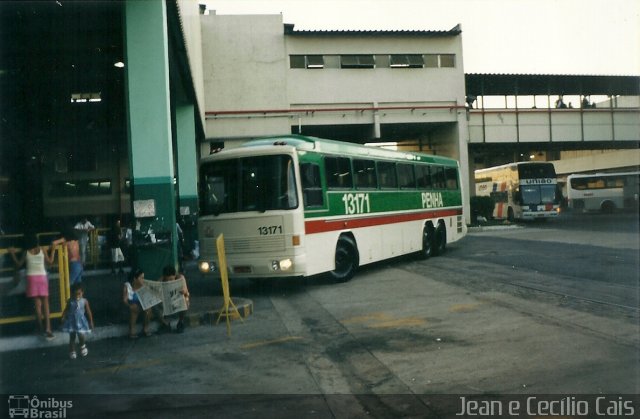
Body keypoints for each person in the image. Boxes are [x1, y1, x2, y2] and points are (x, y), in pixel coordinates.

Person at [8, 235, 56, 339]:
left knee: (37, 306)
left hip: (31, 278)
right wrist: (53, 250)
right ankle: (48, 328)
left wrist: (12, 254)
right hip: (42, 277)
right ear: (36, 241)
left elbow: (18, 264)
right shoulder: (42, 249)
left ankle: (41, 328)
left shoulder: (26, 252)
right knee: (46, 305)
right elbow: (50, 262)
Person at [61, 283, 94, 359]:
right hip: (72, 321)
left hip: (81, 321)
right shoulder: (70, 301)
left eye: (79, 294)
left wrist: (91, 321)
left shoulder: (85, 301)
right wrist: (63, 316)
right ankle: (72, 351)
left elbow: (88, 311)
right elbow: (66, 309)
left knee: (81, 335)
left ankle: (82, 346)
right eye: (75, 294)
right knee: (72, 336)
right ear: (72, 293)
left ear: (82, 293)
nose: (77, 296)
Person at [154, 265, 190, 333]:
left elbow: (186, 291)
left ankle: (180, 322)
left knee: (186, 301)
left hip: (177, 300)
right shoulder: (161, 280)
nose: (169, 281)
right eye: (167, 280)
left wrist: (183, 291)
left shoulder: (180, 277)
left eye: (171, 279)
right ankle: (165, 324)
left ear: (175, 275)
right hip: (166, 302)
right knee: (154, 305)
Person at [123, 269, 151, 339]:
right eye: (141, 278)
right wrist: (129, 306)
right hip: (131, 306)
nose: (143, 280)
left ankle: (146, 327)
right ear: (135, 279)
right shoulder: (128, 286)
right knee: (134, 308)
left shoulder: (144, 286)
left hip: (142, 304)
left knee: (148, 309)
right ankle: (132, 330)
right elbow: (125, 300)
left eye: (143, 278)